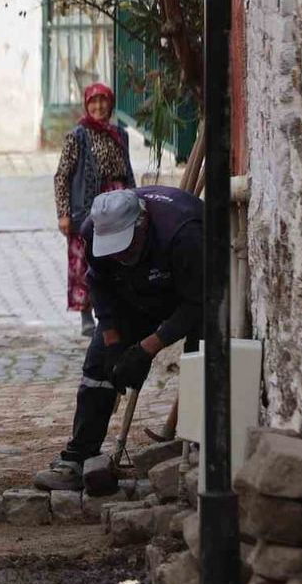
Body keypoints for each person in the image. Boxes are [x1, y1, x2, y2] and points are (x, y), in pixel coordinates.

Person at [34, 187, 202, 492]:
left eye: (125, 247)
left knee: (201, 362)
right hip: (132, 295)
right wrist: (113, 344)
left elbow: (197, 303)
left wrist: (146, 349)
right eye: (112, 249)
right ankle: (79, 457)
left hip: (186, 295)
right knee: (98, 368)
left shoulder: (184, 233)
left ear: (142, 225)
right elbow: (99, 284)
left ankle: (200, 452)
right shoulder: (92, 232)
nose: (119, 255)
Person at [54, 83, 135, 337]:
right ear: (86, 106)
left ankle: (112, 311)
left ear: (111, 105)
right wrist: (64, 213)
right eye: (93, 102)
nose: (99, 107)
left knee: (116, 256)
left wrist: (135, 200)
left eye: (103, 102)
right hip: (87, 209)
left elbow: (127, 170)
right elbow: (62, 176)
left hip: (117, 204)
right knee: (84, 260)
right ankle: (86, 313)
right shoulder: (77, 136)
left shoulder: (120, 134)